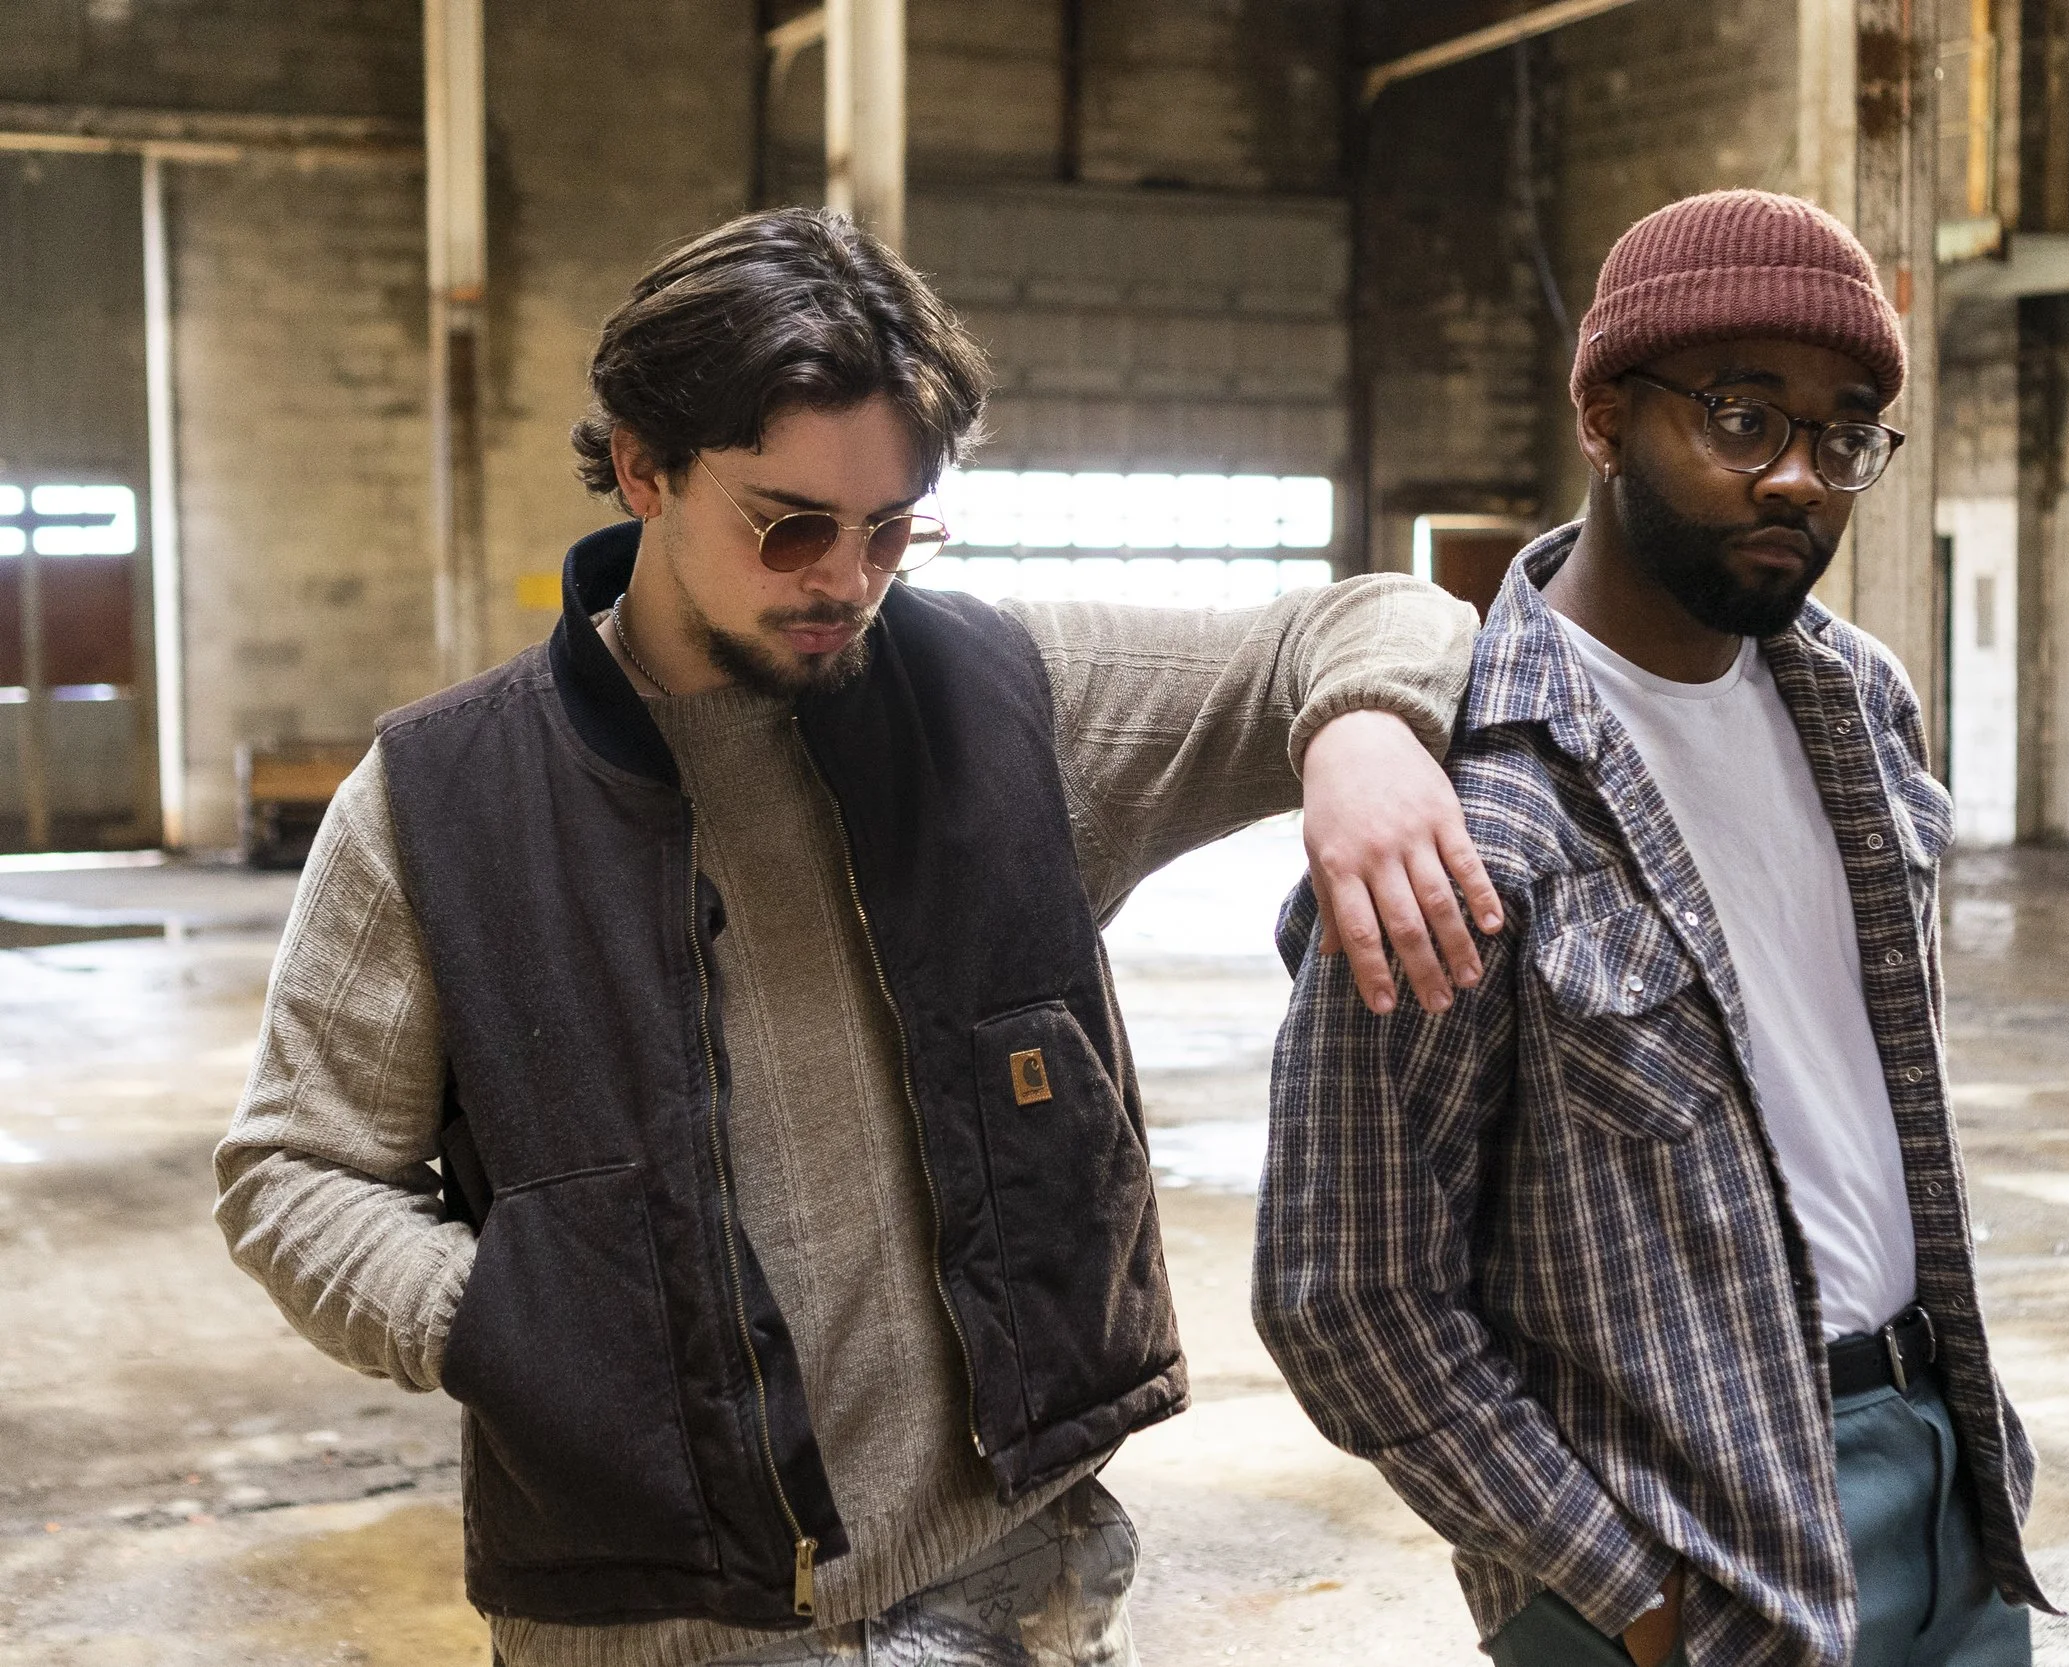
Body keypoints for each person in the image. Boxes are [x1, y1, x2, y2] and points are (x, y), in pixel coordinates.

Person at [216, 206, 1498, 1667]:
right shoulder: (443, 802)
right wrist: (503, 1321)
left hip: (1009, 1573)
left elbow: (1367, 618)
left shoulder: (1010, 704)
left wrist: (1367, 736)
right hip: (656, 1623)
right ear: (643, 465)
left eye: (893, 527)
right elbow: (295, 1170)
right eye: (790, 524)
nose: (846, 577)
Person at [1254, 190, 2051, 1667]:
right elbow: (1345, 1289)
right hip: (1684, 1556)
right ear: (1606, 417)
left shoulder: (1860, 703)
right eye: (1744, 419)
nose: (1801, 480)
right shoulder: (1466, 799)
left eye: (1847, 432)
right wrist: (1610, 1585)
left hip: (1945, 1488)